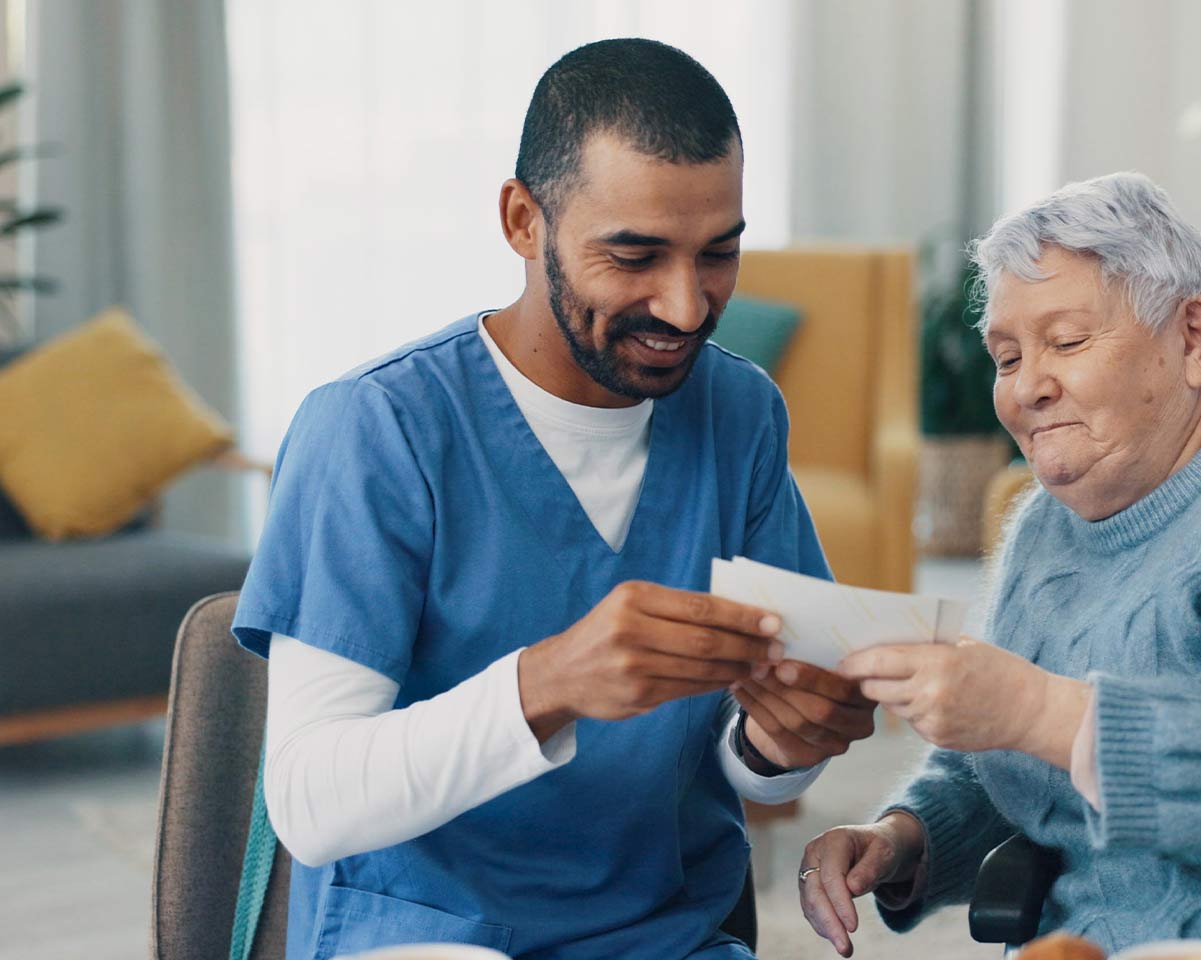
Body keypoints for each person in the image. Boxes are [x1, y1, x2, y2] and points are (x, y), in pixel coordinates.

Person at [234, 38, 876, 960]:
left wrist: (786, 744)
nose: (688, 307)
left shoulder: (739, 416)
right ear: (522, 220)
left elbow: (759, 771)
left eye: (718, 255)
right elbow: (310, 803)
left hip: (664, 936)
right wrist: (552, 684)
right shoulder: (377, 430)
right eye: (635, 256)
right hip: (429, 936)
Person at [798, 172, 1201, 959]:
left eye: (1066, 342)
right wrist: (903, 837)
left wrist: (1043, 711)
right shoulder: (1040, 528)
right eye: (1007, 355)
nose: (1026, 389)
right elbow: (1002, 758)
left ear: (1193, 338)